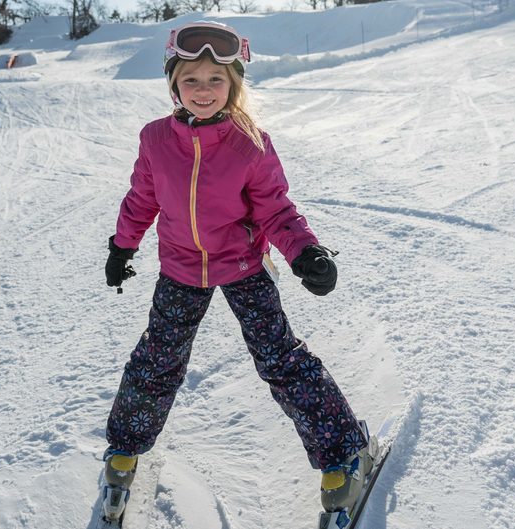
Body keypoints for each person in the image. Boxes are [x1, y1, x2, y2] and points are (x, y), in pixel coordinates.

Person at [101, 21, 377, 525]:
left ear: (233, 85)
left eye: (216, 79)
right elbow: (142, 198)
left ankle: (344, 451)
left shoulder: (251, 143)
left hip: (244, 265)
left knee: (280, 358)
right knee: (158, 358)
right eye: (191, 79)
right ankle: (124, 448)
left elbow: (275, 209)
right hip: (180, 269)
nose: (203, 90)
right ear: (173, 84)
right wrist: (122, 246)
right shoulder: (155, 139)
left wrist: (304, 252)